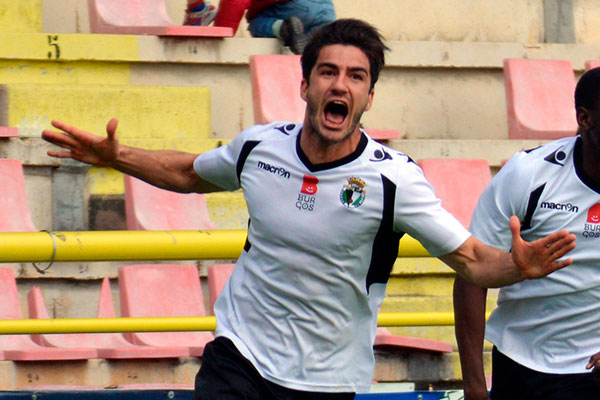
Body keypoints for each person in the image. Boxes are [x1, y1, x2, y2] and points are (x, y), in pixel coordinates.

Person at [41, 19, 575, 400]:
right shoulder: (259, 147)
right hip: (240, 354)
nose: (339, 84)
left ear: (369, 98)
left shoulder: (394, 180)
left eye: (356, 76)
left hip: (327, 376)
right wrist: (118, 157)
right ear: (304, 84)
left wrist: (516, 267)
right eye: (327, 72)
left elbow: (473, 260)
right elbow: (188, 174)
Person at [454, 67, 600, 400]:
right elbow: (470, 276)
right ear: (586, 118)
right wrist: (475, 385)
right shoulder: (530, 174)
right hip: (523, 363)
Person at [246, 0, 336, 54]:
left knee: (256, 23)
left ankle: (284, 28)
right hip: (327, 8)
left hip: (299, 6)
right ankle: (304, 43)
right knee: (313, 44)